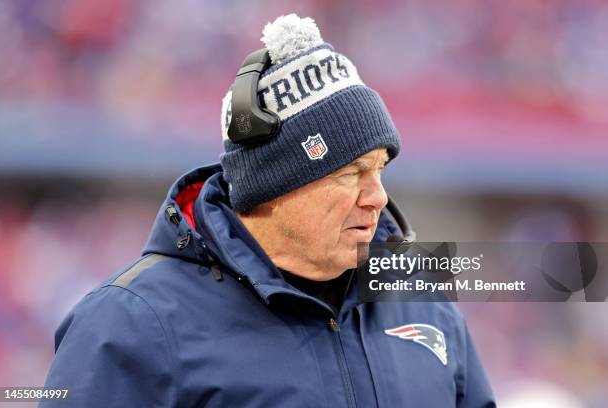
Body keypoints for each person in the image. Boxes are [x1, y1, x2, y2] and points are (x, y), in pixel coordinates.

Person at [41, 14, 496, 407]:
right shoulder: (130, 325)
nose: (376, 196)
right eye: (351, 173)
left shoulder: (422, 301)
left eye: (379, 169)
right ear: (275, 186)